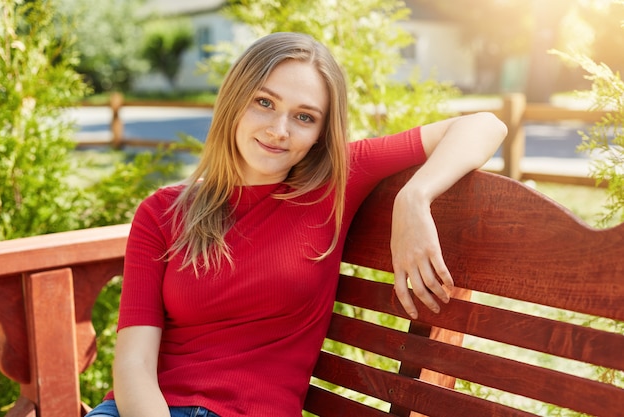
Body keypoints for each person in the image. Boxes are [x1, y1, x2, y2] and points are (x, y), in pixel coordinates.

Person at [85, 32, 507, 417]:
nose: (278, 130)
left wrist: (414, 197)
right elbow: (134, 363)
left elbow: (484, 125)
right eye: (264, 102)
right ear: (235, 99)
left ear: (322, 133)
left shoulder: (336, 182)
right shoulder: (162, 212)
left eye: (304, 117)